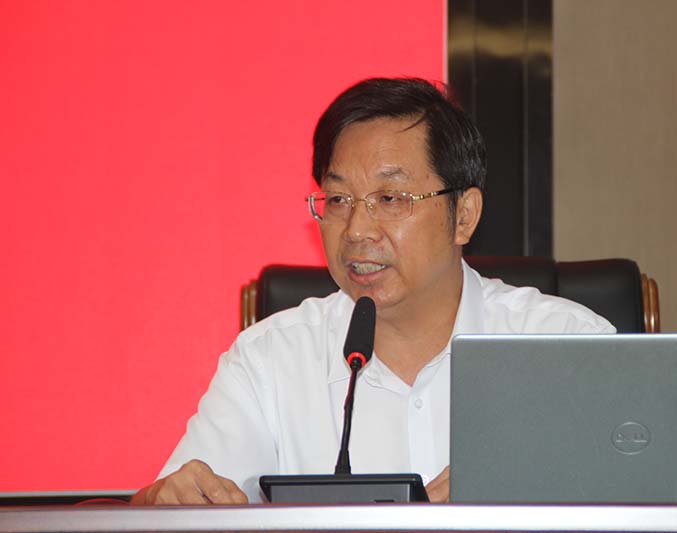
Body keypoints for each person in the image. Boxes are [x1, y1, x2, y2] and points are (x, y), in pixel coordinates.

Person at [131, 77, 614, 506]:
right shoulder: (270, 362)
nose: (357, 229)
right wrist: (157, 507)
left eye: (390, 198)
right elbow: (176, 507)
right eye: (339, 199)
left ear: (464, 216)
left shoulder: (570, 349)